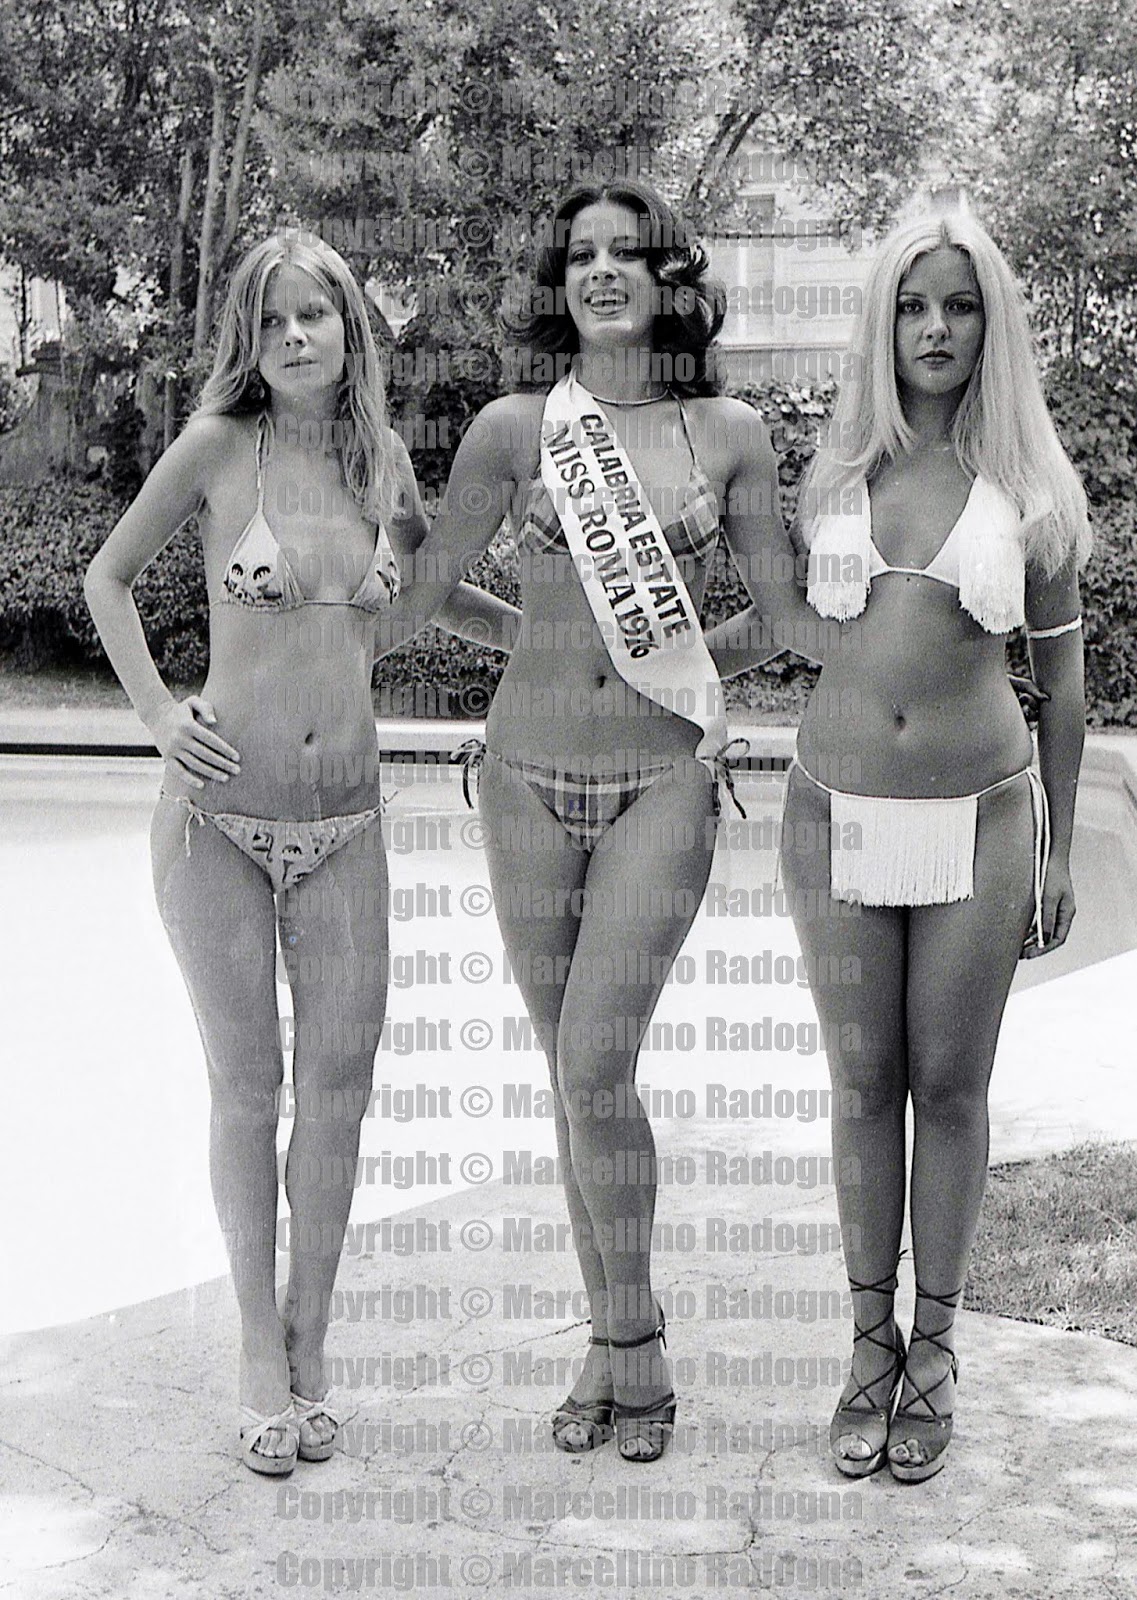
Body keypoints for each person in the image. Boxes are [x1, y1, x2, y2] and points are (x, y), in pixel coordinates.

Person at [376, 178, 831, 1462]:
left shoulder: (730, 433)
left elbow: (783, 619)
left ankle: (634, 1337)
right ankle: (611, 1342)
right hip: (522, 774)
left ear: (668, 277)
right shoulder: (514, 430)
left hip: (661, 783)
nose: (603, 271)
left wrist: (688, 669)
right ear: (560, 281)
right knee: (573, 1074)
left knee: (591, 1063)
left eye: (628, 252)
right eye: (581, 254)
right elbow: (427, 594)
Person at [83, 231, 513, 1475]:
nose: (292, 337)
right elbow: (109, 578)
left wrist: (550, 636)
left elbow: (433, 592)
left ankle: (309, 1336)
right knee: (248, 1089)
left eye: (312, 314)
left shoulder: (383, 464)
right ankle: (254, 1353)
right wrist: (159, 716)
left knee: (337, 1094)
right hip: (215, 823)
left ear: (349, 326)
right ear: (247, 339)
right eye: (270, 320)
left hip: (346, 829)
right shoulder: (219, 448)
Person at [778, 204, 1089, 1482]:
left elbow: (1062, 687)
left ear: (991, 323)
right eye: (913, 305)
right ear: (882, 323)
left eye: (960, 305)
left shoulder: (1032, 490)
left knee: (950, 1087)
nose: (936, 327)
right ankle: (869, 1344)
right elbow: (785, 630)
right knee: (863, 1086)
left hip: (981, 818)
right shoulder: (834, 474)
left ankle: (940, 1348)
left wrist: (1060, 848)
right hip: (833, 810)